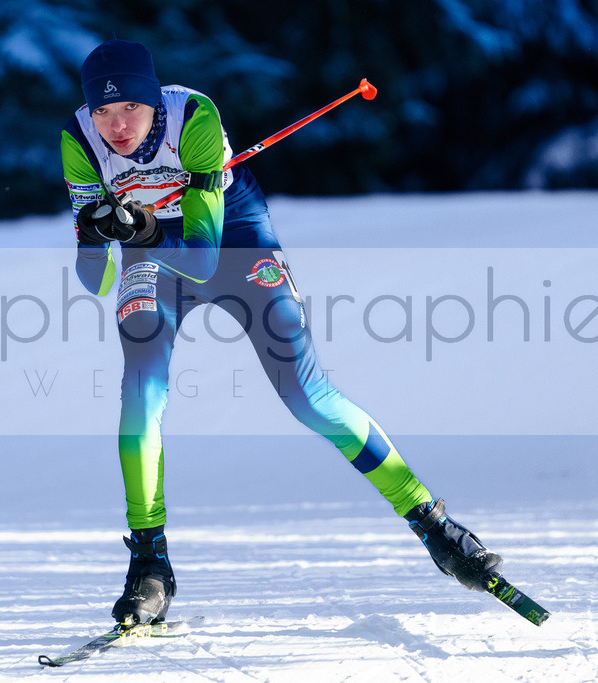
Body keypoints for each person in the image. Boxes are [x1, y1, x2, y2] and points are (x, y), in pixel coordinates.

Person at [61, 39, 502, 626]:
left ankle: (434, 526)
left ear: (153, 101)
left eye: (130, 109)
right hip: (151, 252)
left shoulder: (193, 116)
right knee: (141, 394)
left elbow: (202, 260)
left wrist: (139, 230)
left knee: (306, 396)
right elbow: (94, 279)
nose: (116, 126)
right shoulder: (79, 140)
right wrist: (95, 237)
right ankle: (149, 562)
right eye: (103, 111)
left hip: (230, 238)